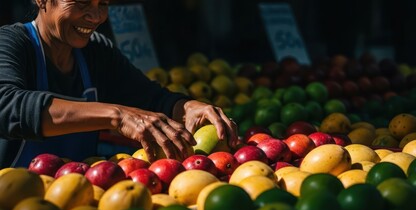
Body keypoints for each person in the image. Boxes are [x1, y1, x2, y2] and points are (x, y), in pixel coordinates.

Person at [0, 0, 238, 168]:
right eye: (82, 2)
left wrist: (187, 107)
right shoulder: (10, 43)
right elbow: (8, 105)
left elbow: (152, 98)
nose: (95, 17)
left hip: (78, 201)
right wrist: (117, 115)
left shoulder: (97, 52)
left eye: (102, 4)